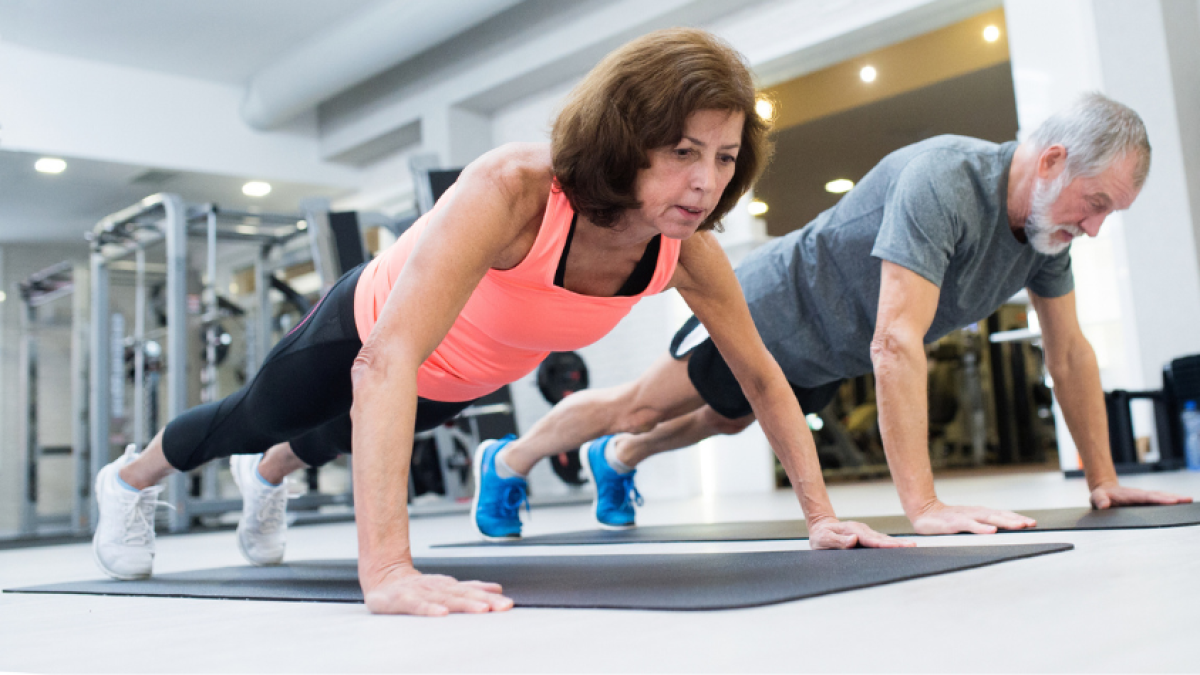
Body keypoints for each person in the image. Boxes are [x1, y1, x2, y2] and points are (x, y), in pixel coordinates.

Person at [91, 28, 906, 618]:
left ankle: (267, 478)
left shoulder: (685, 248)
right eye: (684, 151)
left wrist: (820, 514)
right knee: (256, 418)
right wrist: (387, 570)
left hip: (467, 372)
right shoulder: (516, 189)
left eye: (725, 158)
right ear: (627, 139)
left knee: (332, 438)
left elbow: (763, 375)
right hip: (370, 331)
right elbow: (385, 361)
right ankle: (131, 480)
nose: (705, 181)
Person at [493, 92, 1192, 537]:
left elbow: (1068, 352)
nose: (1095, 227)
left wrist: (1102, 479)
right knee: (642, 402)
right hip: (771, 310)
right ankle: (512, 459)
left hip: (831, 352)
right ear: (1052, 161)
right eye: (1095, 203)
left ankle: (616, 460)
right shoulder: (946, 179)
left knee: (723, 418)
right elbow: (895, 339)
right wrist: (924, 505)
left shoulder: (1045, 233)